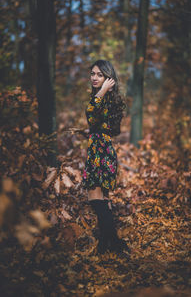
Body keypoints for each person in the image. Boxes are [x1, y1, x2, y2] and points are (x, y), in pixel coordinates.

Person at [81, 59, 129, 254]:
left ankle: (112, 245)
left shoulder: (104, 97)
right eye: (92, 73)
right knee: (104, 199)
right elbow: (101, 124)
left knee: (95, 198)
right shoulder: (106, 99)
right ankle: (108, 244)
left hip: (100, 152)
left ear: (109, 79)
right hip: (102, 149)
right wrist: (90, 131)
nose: (94, 77)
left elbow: (90, 112)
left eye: (99, 75)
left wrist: (101, 91)